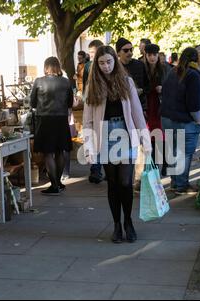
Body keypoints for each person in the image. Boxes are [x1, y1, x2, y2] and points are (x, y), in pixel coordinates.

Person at [83, 45, 151, 243]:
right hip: (104, 135)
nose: (106, 66)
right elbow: (87, 119)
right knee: (112, 184)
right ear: (97, 64)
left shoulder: (126, 82)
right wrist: (88, 147)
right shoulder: (92, 85)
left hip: (125, 134)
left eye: (109, 62)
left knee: (125, 182)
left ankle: (128, 221)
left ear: (115, 60)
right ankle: (116, 225)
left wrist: (145, 141)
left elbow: (137, 114)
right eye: (102, 63)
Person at [161, 47, 200, 195]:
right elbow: (193, 102)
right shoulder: (193, 75)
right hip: (184, 120)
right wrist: (199, 120)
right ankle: (181, 185)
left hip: (167, 119)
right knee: (183, 154)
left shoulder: (172, 72)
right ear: (196, 59)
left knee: (174, 152)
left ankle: (175, 183)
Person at [30, 57, 73, 195]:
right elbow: (70, 103)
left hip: (45, 120)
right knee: (60, 151)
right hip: (61, 119)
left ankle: (54, 185)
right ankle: (58, 182)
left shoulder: (39, 81)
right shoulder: (66, 82)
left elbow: (32, 103)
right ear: (58, 67)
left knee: (48, 153)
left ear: (45, 67)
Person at [144, 43, 169, 175]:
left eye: (154, 55)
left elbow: (170, 87)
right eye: (149, 55)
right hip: (149, 104)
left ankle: (164, 162)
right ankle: (154, 164)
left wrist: (162, 89)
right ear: (145, 55)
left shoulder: (164, 68)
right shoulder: (143, 69)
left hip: (160, 105)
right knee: (151, 135)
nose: (152, 57)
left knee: (162, 135)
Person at [83, 39, 105, 184]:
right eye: (89, 53)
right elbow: (85, 84)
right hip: (92, 101)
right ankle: (96, 170)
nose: (91, 55)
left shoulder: (105, 64)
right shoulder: (88, 66)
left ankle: (102, 168)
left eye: (93, 52)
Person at [116, 37, 149, 112]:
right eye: (126, 50)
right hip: (121, 109)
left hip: (140, 106)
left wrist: (142, 90)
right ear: (118, 53)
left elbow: (147, 85)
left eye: (131, 49)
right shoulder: (114, 68)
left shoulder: (140, 65)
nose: (130, 53)